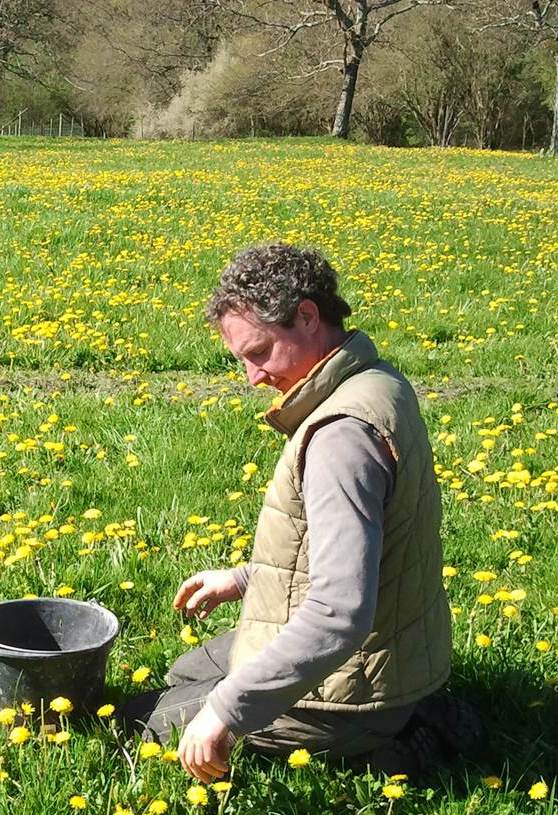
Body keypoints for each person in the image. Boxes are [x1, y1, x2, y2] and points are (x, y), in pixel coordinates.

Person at [121, 243, 480, 783]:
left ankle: (392, 743)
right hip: (395, 651)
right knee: (185, 673)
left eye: (260, 351)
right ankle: (404, 714)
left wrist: (226, 711)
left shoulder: (342, 436)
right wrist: (244, 579)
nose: (252, 377)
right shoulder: (377, 382)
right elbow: (367, 548)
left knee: (133, 725)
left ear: (308, 316)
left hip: (351, 692)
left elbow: (339, 612)